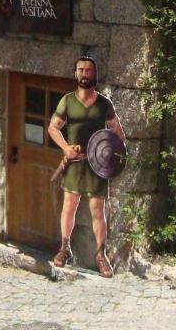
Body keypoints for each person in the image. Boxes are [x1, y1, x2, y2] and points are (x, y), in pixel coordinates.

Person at [47, 55, 126, 278]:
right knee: (69, 206)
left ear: (94, 74)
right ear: (75, 74)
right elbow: (53, 128)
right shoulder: (67, 101)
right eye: (80, 70)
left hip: (96, 165)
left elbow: (118, 132)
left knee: (97, 211)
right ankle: (65, 249)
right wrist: (66, 149)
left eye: (88, 70)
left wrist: (109, 153)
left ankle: (100, 255)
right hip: (74, 163)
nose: (84, 74)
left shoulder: (104, 103)